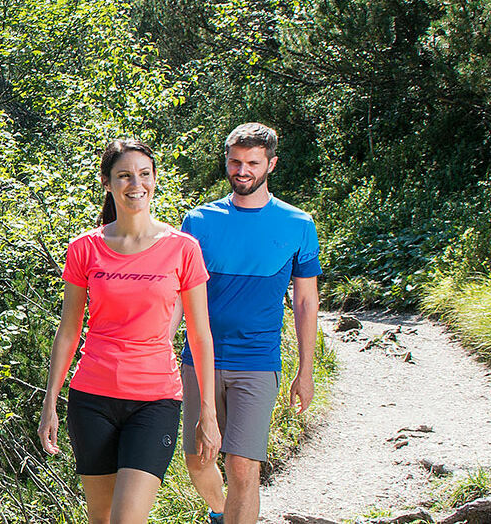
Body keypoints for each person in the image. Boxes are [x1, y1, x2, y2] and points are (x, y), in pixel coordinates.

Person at [39, 139, 221, 524]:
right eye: (124, 175)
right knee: (100, 519)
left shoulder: (183, 248)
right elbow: (68, 330)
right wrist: (50, 401)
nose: (135, 183)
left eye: (143, 174)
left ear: (154, 180)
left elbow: (200, 335)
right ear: (107, 182)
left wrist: (207, 410)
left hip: (155, 401)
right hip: (92, 399)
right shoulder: (85, 249)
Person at [178, 122, 321, 524]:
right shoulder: (199, 221)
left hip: (257, 362)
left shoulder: (298, 224)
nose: (243, 171)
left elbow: (306, 301)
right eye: (236, 162)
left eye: (253, 163)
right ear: (226, 161)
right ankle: (223, 514)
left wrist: (305, 370)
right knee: (197, 460)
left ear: (271, 164)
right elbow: (177, 294)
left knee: (243, 465)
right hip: (199, 360)